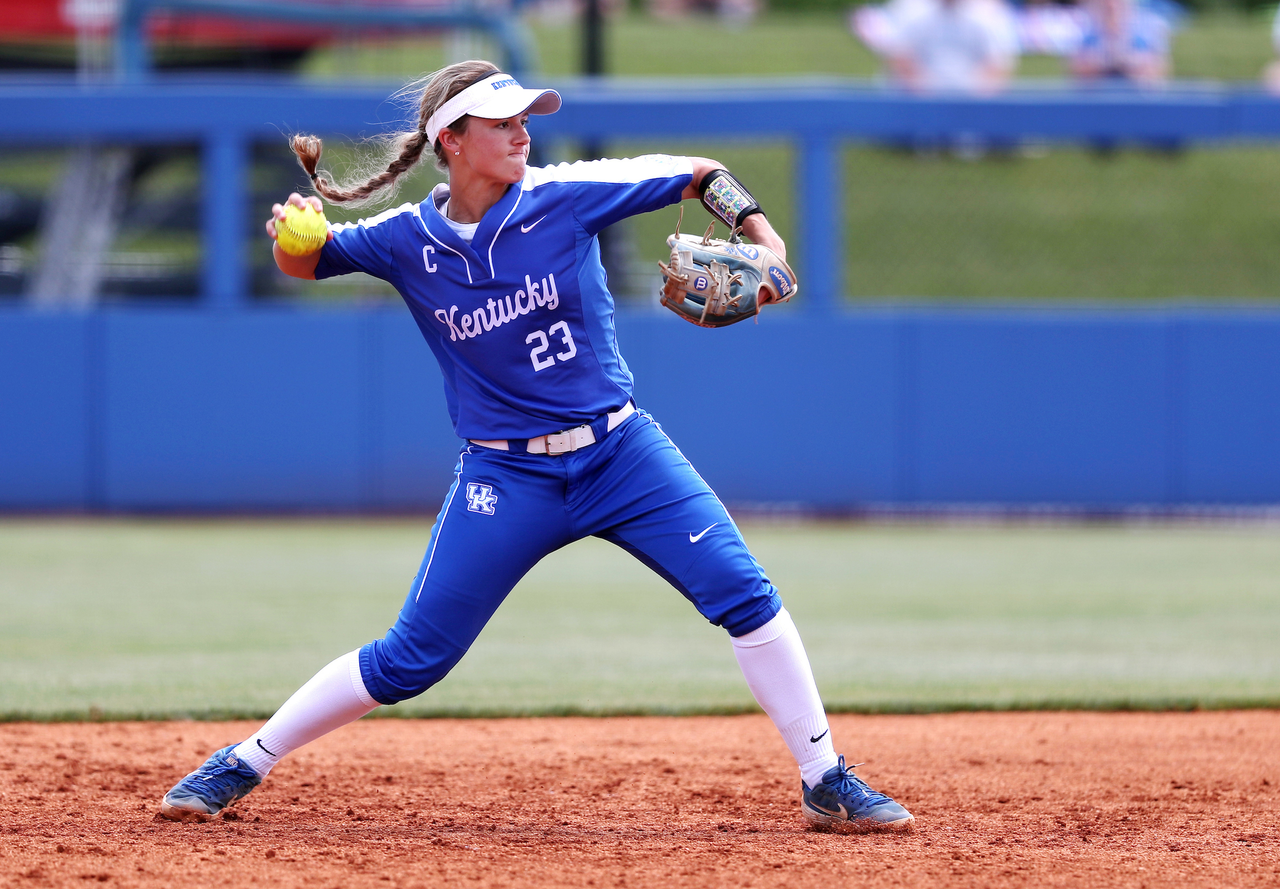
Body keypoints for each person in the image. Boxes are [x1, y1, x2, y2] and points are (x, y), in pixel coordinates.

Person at [156, 59, 913, 834]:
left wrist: (763, 233)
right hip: (505, 474)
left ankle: (825, 778)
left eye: (526, 118)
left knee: (746, 594)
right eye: (502, 121)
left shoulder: (563, 196)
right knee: (409, 658)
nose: (523, 131)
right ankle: (243, 759)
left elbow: (700, 173)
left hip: (620, 454)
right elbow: (306, 262)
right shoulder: (405, 240)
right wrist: (292, 236)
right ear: (451, 141)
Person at [885, 0, 1019, 95]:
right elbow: (901, 60)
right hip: (917, 108)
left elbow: (997, 67)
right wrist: (928, 95)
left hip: (974, 109)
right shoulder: (907, 8)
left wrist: (970, 99)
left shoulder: (991, 11)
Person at [1069, 0, 1169, 85]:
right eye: (1107, 8)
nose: (1112, 9)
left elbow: (1157, 70)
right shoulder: (1087, 35)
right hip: (1098, 98)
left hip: (1136, 98)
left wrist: (1128, 64)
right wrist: (1104, 65)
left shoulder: (1144, 34)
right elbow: (1076, 70)